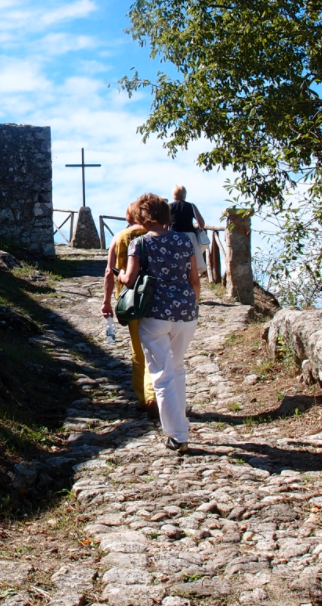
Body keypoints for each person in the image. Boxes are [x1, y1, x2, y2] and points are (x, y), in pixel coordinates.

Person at [120, 192, 200, 453]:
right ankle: (181, 424)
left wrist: (119, 275)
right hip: (186, 313)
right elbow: (194, 280)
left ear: (143, 217)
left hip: (154, 314)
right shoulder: (185, 242)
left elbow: (131, 279)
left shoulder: (140, 244)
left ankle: (177, 435)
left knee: (161, 376)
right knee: (177, 368)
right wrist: (192, 306)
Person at [101, 202, 154, 414]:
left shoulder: (119, 237)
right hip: (152, 295)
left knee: (137, 350)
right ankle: (153, 395)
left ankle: (144, 398)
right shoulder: (152, 234)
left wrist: (106, 302)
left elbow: (108, 272)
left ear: (129, 218)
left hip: (129, 299)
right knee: (155, 347)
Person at [169, 185, 208, 276]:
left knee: (176, 263)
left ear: (173, 195)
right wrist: (196, 227)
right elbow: (201, 223)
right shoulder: (191, 206)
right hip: (190, 237)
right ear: (184, 195)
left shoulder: (169, 207)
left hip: (173, 237)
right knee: (192, 263)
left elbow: (165, 224)